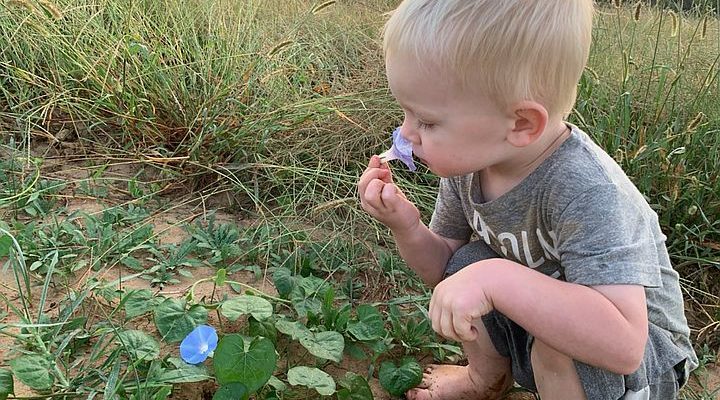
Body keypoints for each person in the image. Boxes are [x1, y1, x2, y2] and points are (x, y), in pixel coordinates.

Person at [357, 1, 699, 399]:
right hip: (543, 333)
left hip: (639, 367)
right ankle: (484, 380)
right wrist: (406, 226)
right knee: (468, 264)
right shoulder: (474, 162)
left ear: (521, 124)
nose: (407, 134)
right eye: (407, 114)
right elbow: (445, 268)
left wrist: (495, 279)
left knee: (555, 343)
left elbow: (623, 345)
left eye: (427, 121)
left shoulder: (586, 190)